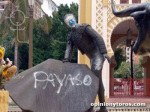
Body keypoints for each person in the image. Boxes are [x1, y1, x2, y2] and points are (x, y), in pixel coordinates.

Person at [63, 14, 111, 112]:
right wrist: (66, 59)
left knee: (93, 79)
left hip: (98, 54)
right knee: (98, 81)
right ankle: (103, 108)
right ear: (67, 24)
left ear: (74, 19)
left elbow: (98, 37)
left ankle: (90, 108)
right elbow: (69, 48)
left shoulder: (84, 28)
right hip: (91, 57)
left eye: (71, 20)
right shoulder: (71, 36)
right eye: (68, 22)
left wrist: (104, 52)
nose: (71, 22)